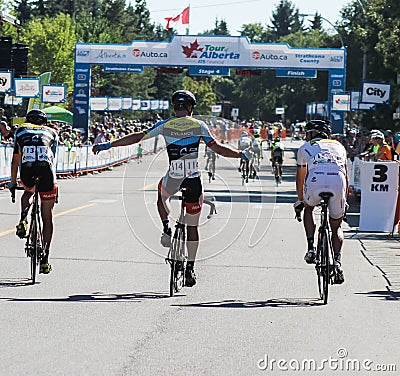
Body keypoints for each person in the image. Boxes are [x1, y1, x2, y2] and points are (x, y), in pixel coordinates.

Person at [93, 90, 242, 287]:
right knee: (192, 226)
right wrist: (241, 155)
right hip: (193, 179)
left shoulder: (166, 125)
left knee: (162, 194)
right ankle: (190, 267)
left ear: (175, 107)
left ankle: (166, 226)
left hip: (173, 177)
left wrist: (109, 144)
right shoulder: (200, 125)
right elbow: (218, 149)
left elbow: (137, 137)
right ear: (191, 107)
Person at [294, 120, 347, 284]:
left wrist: (300, 200)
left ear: (312, 134)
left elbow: (301, 177)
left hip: (316, 180)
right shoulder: (339, 146)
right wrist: (344, 200)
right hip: (338, 181)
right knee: (336, 226)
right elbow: (345, 174)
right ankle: (337, 262)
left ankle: (311, 248)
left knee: (309, 208)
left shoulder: (305, 147)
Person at [8, 109, 59, 274]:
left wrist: (13, 182)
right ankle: (45, 260)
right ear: (44, 123)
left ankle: (23, 218)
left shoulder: (21, 130)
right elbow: (52, 158)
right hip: (47, 170)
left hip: (28, 169)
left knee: (28, 192)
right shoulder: (52, 132)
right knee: (47, 215)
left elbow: (15, 160)